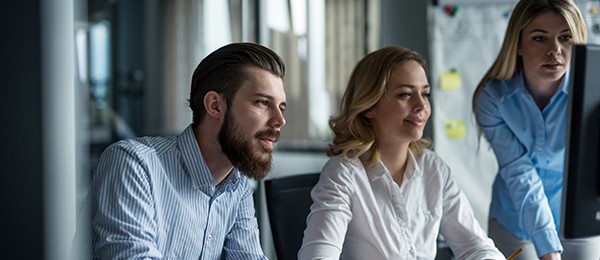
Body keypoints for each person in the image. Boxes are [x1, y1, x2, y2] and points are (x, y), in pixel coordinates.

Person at [298, 46, 505, 260]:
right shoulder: (343, 174)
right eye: (405, 94)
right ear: (369, 106)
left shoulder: (432, 167)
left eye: (425, 93)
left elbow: (476, 247)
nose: (421, 105)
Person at [88, 42, 287, 259]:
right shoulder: (133, 164)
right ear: (215, 105)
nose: (280, 120)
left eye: (281, 107)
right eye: (262, 102)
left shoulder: (237, 186)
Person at [472, 0, 600, 259]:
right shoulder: (493, 98)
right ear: (517, 44)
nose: (555, 50)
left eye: (566, 38)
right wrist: (548, 247)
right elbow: (519, 172)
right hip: (515, 221)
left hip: (579, 221)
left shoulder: (594, 90)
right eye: (540, 38)